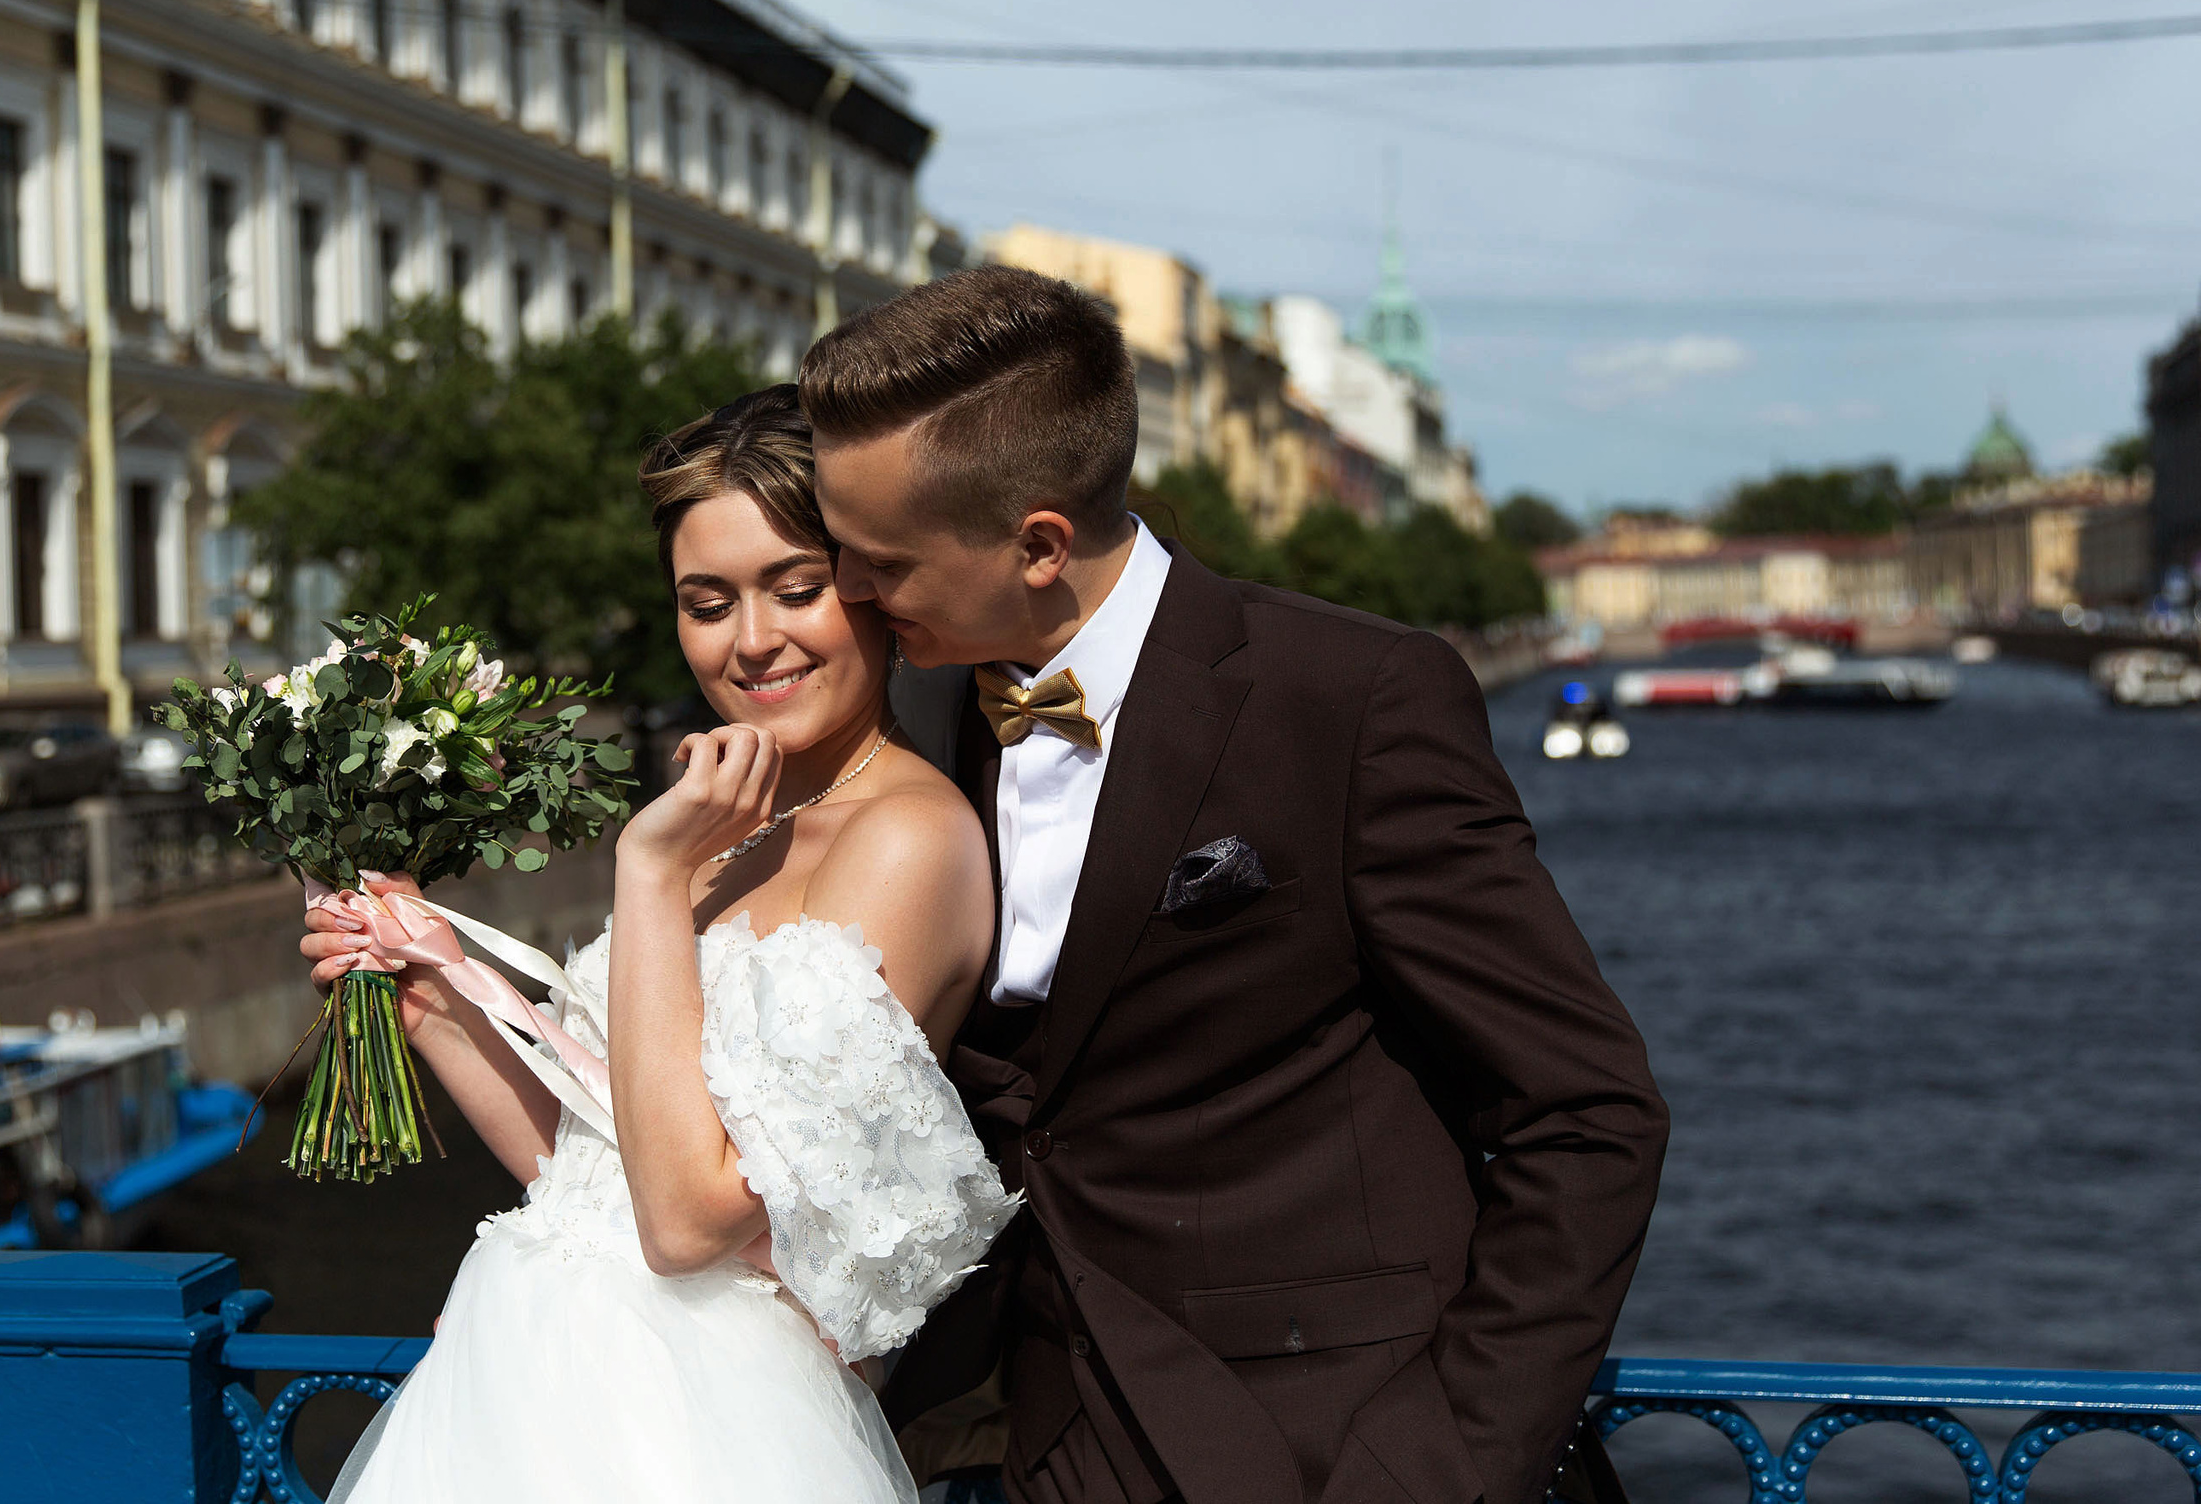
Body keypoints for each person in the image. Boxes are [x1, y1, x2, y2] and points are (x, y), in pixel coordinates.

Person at [800, 265, 1671, 1504]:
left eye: (879, 561)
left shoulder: (1352, 698)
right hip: (1038, 1441)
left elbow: (1587, 1112)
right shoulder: (928, 718)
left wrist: (1439, 1466)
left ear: (1039, 546)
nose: (847, 591)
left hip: (1330, 1449)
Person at [302, 384, 1017, 1504]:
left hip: (715, 1424)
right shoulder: (741, 825)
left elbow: (690, 1223)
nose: (752, 641)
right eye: (706, 602)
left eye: (796, 589)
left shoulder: (906, 838)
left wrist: (648, 868)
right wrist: (426, 986)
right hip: (532, 1376)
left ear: (872, 589)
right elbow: (599, 1166)